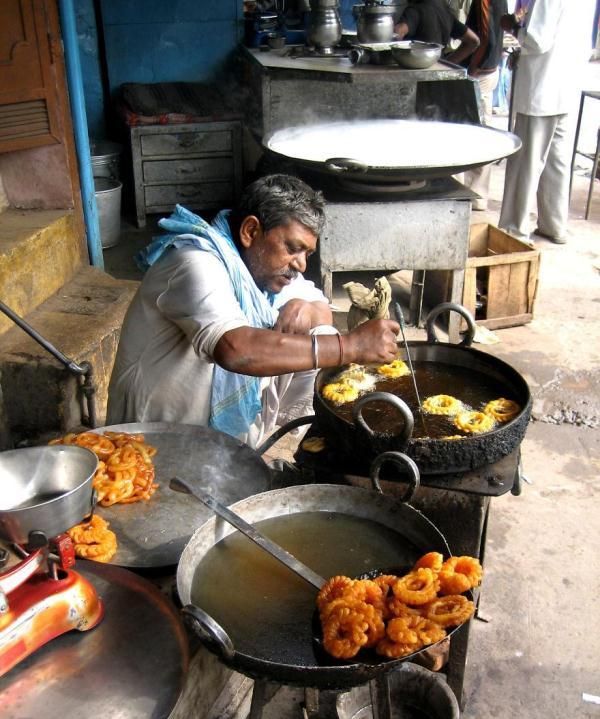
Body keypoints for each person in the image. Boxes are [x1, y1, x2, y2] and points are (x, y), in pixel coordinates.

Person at [106, 174, 400, 448]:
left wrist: (308, 309)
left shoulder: (263, 270)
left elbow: (321, 310)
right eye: (293, 248)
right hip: (153, 443)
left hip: (209, 442)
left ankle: (245, 444)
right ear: (250, 232)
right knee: (327, 345)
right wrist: (351, 346)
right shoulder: (194, 262)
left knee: (320, 333)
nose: (300, 265)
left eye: (306, 254)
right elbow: (234, 349)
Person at [498, 0, 596, 244]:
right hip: (566, 85)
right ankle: (554, 225)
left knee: (525, 165)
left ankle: (513, 229)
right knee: (556, 163)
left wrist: (513, 26)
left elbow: (537, 40)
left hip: (542, 89)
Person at [445, 0, 509, 210]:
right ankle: (477, 195)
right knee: (479, 128)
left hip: (479, 71)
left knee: (465, 131)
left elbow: (485, 39)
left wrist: (473, 70)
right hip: (486, 69)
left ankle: (464, 194)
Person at [393, 0, 480, 53]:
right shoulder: (445, 10)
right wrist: (449, 63)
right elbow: (473, 41)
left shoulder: (415, 10)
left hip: (415, 74)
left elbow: (398, 32)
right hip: (438, 72)